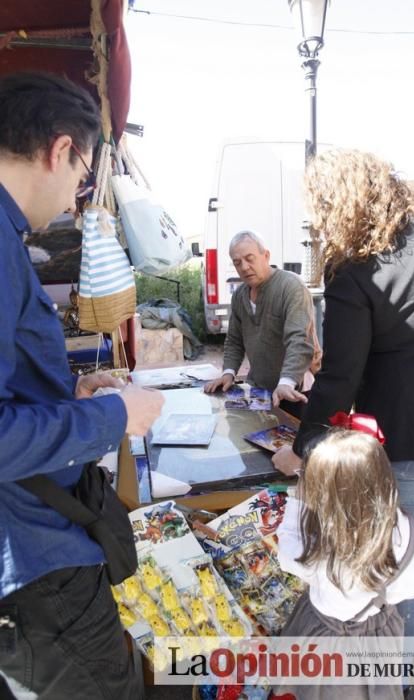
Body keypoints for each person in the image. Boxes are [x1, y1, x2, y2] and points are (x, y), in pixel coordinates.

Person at [272, 148, 414, 688]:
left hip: (409, 440)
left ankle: (399, 681)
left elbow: (340, 376)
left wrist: (307, 444)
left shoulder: (357, 264)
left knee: (407, 564)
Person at [0, 73, 164, 700]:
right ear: (59, 150)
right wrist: (114, 417)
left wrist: (70, 394)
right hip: (38, 566)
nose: (79, 193)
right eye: (82, 174)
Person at [275, 428, 414, 700]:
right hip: (379, 632)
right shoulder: (411, 529)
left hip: (323, 634)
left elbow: (287, 557)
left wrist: (296, 499)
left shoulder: (320, 545)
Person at [204, 230, 321, 416]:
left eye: (250, 258)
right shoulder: (240, 296)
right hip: (259, 390)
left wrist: (286, 382)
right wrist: (228, 373)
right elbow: (234, 340)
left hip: (294, 391)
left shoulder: (291, 287)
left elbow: (300, 340)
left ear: (265, 256)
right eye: (237, 262)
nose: (244, 267)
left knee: (293, 443)